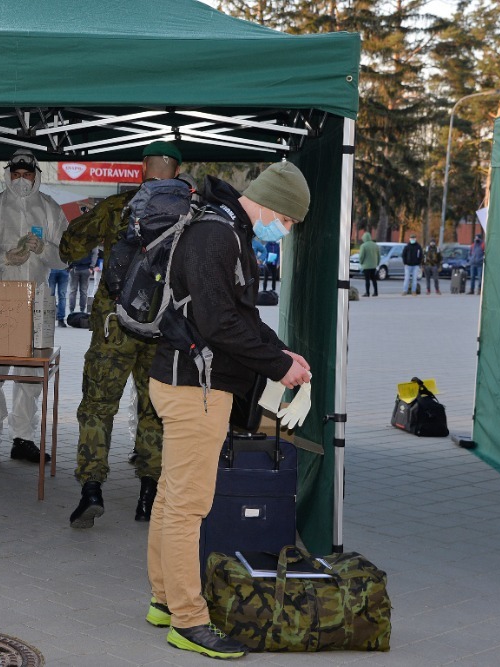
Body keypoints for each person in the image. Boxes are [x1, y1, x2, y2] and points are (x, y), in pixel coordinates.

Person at [144, 161, 312, 659]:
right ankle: (188, 620)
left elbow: (240, 314)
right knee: (188, 507)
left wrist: (283, 353)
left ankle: (162, 597)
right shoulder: (218, 236)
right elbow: (219, 324)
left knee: (172, 496)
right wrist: (277, 368)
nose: (284, 230)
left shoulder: (227, 229)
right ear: (276, 206)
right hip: (196, 389)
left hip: (187, 382)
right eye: (288, 222)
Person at [61, 140, 186, 529]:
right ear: (177, 172)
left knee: (98, 407)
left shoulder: (117, 208)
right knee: (155, 412)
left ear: (142, 168)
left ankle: (92, 491)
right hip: (164, 329)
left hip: (114, 323)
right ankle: (149, 495)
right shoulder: (192, 212)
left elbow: (69, 247)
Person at [0, 148, 68, 465]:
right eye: (16, 173)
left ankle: (23, 437)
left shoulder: (50, 209)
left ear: (37, 174)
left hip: (37, 302)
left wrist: (45, 248)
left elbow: (65, 256)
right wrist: (2, 258)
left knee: (30, 375)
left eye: (27, 173)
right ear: (9, 174)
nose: (22, 179)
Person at [67, 248, 97, 313]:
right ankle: (82, 311)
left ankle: (71, 311)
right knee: (83, 291)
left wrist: (69, 266)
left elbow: (68, 251)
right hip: (86, 268)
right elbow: (95, 253)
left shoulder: (74, 237)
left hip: (74, 267)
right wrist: (92, 266)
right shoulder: (91, 238)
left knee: (73, 291)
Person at [358, 231, 380, 297]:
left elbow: (361, 256)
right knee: (374, 279)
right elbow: (378, 256)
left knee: (367, 280)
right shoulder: (375, 245)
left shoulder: (363, 246)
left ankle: (367, 293)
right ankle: (376, 292)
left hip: (366, 266)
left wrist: (361, 262)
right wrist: (377, 263)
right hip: (373, 265)